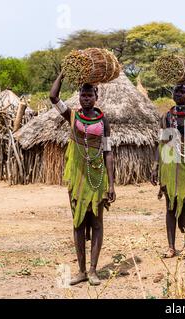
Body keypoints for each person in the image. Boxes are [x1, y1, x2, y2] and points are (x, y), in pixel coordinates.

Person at [49, 71, 116, 286]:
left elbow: (108, 152)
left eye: (90, 95)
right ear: (79, 97)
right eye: (83, 95)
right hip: (77, 177)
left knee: (96, 222)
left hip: (97, 177)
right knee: (78, 222)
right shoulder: (72, 116)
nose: (86, 99)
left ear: (96, 97)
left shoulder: (103, 120)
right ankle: (81, 271)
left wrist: (112, 184)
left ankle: (94, 270)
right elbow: (53, 97)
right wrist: (62, 75)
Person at [150, 83, 185, 259]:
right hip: (169, 166)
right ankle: (171, 247)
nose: (178, 94)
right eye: (176, 90)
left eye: (182, 91)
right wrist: (155, 167)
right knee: (170, 206)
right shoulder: (166, 117)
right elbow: (161, 144)